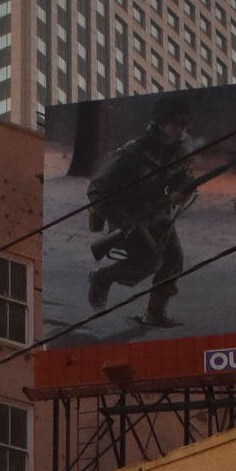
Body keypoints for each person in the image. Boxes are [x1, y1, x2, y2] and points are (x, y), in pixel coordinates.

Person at [84, 96, 201, 332]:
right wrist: (120, 220)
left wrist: (182, 190)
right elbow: (96, 190)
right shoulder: (131, 153)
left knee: (173, 258)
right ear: (161, 122)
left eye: (185, 124)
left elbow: (185, 177)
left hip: (157, 213)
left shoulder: (177, 152)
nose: (181, 129)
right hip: (127, 216)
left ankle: (155, 312)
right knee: (149, 261)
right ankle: (103, 277)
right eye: (177, 123)